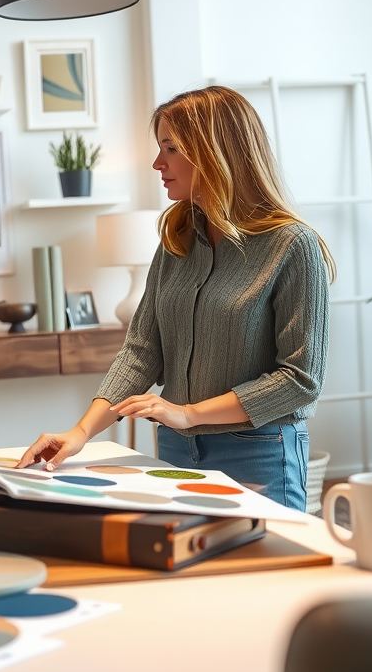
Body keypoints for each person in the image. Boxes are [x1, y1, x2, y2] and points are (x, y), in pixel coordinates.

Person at [17, 85, 332, 510]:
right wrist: (80, 433)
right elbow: (142, 352)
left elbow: (300, 381)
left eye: (171, 148)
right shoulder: (176, 242)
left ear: (216, 152)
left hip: (257, 451)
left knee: (265, 569)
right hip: (176, 451)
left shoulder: (292, 245)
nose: (157, 163)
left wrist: (189, 413)